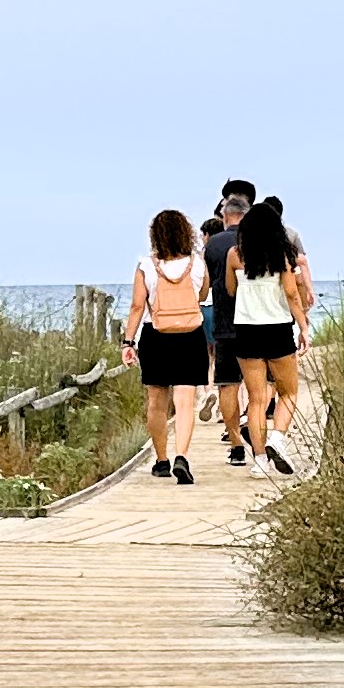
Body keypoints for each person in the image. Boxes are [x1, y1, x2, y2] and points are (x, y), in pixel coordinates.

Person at [122, 206, 211, 483]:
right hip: (190, 335)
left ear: (155, 236)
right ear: (186, 233)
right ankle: (182, 456)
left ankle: (161, 460)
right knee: (185, 402)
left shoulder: (146, 266)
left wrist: (128, 341)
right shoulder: (197, 263)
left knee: (156, 402)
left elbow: (138, 306)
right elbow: (203, 293)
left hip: (155, 336)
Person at [228, 194, 314, 474]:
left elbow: (230, 290)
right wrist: (303, 327)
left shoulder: (236, 255)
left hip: (246, 331)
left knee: (255, 399)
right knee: (288, 392)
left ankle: (261, 462)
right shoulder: (283, 256)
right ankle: (278, 437)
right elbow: (291, 293)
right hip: (277, 329)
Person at [202, 181, 255, 462]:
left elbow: (204, 286)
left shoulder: (213, 246)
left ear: (225, 216)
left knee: (227, 385)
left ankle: (235, 445)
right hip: (255, 323)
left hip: (224, 324)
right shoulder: (256, 242)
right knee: (257, 386)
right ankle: (258, 439)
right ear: (246, 216)